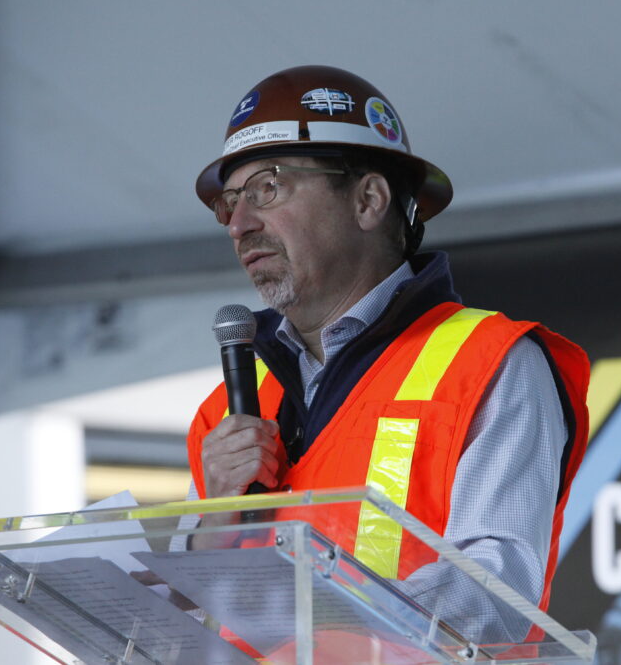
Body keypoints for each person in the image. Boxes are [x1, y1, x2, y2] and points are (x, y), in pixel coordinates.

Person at [180, 65, 590, 643]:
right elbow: (185, 619)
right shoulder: (225, 408)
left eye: (266, 188)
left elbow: (495, 589)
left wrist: (319, 634)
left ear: (368, 200)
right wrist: (210, 524)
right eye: (229, 202)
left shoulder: (490, 364)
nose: (239, 224)